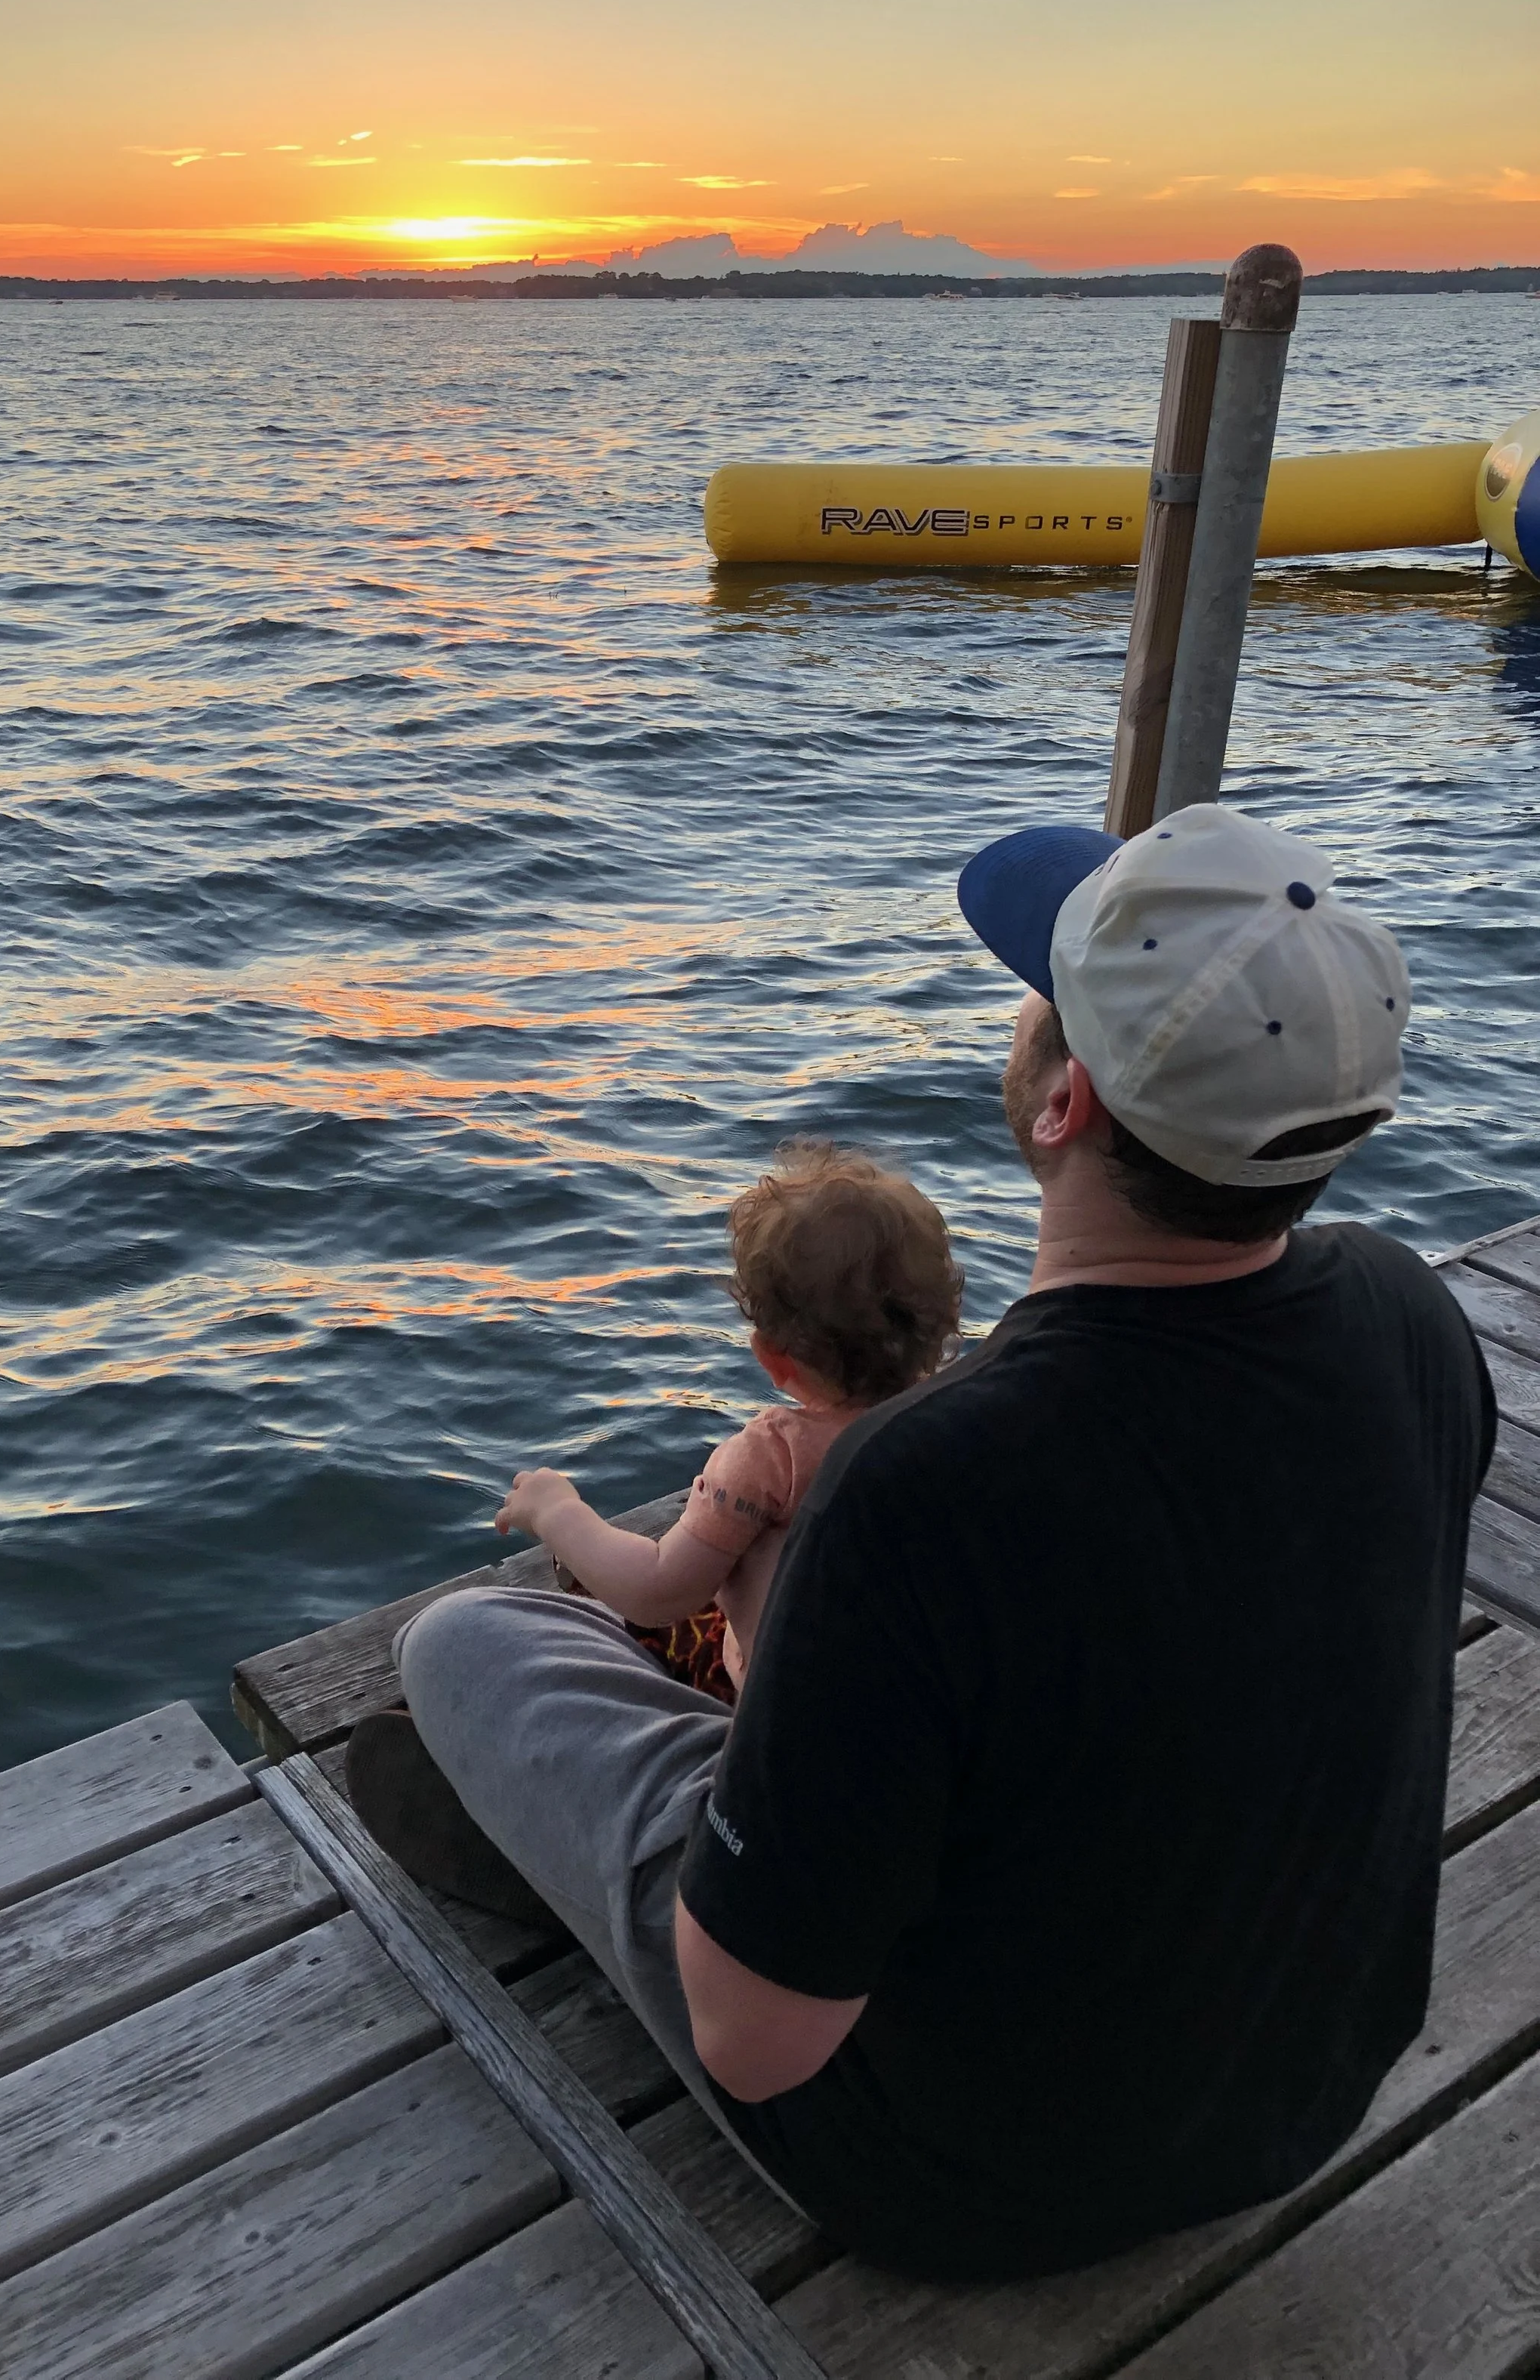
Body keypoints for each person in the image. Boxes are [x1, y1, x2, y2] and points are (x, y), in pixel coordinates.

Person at [346, 801, 1497, 2278]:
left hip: (960, 2176)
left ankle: (611, 1865)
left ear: (1060, 1101)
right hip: (1297, 2099)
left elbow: (758, 2048)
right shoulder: (1407, 1312)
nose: (1017, 1004)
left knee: (465, 1639)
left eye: (1040, 985)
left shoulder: (923, 1482)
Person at [496, 1141, 961, 1701]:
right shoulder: (959, 1420)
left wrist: (556, 1511)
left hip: (779, 1724)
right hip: (921, 1709)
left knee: (614, 1615)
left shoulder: (772, 1456)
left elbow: (658, 1589)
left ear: (770, 1353)